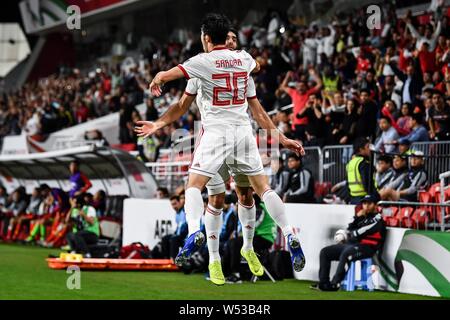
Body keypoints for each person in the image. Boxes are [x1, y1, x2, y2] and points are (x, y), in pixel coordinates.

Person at [135, 17, 306, 286]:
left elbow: (171, 82)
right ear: (225, 38)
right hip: (242, 134)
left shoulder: (200, 62)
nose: (232, 42)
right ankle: (285, 232)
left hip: (215, 136)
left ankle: (199, 236)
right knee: (255, 191)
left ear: (205, 38)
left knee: (201, 188)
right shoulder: (244, 61)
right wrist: (281, 138)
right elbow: (258, 95)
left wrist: (158, 79)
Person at [311, 194, 386, 291]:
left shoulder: (378, 219)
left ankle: (335, 284)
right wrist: (356, 217)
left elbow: (360, 232)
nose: (366, 206)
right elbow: (349, 228)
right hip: (354, 245)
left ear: (376, 205)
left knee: (346, 253)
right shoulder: (362, 217)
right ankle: (323, 283)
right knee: (325, 252)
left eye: (369, 203)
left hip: (368, 247)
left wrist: (350, 234)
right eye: (364, 203)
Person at [222, 196, 277, 283]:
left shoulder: (260, 208)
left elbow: (254, 225)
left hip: (264, 238)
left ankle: (236, 275)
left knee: (235, 243)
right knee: (231, 242)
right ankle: (226, 273)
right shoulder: (260, 206)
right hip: (260, 236)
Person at [279, 69, 322, 142]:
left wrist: (313, 74)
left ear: (305, 87)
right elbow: (283, 86)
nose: (300, 88)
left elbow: (320, 84)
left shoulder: (308, 93)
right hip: (296, 124)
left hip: (307, 124)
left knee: (307, 144)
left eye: (302, 86)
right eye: (298, 86)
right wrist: (288, 76)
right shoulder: (293, 92)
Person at [345, 137, 377, 204]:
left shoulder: (351, 162)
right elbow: (367, 184)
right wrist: (376, 197)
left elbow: (347, 183)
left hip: (353, 199)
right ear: (361, 149)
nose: (370, 149)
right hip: (365, 200)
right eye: (368, 147)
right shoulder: (364, 163)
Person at [158, 195, 188, 259]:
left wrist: (177, 235)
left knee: (174, 239)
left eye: (175, 204)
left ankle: (174, 260)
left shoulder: (185, 212)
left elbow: (186, 228)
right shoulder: (177, 214)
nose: (174, 206)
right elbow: (178, 227)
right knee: (165, 238)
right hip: (178, 235)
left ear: (180, 202)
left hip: (185, 236)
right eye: (172, 205)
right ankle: (166, 258)